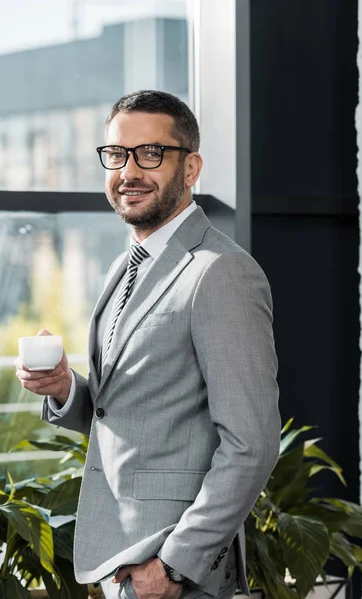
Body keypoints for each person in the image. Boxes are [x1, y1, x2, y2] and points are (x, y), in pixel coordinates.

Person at [16, 90, 281, 599]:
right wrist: (64, 388)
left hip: (173, 571)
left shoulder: (220, 273)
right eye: (116, 155)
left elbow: (252, 444)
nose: (129, 171)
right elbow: (131, 409)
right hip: (122, 561)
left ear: (191, 167)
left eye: (150, 154)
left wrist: (176, 566)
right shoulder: (125, 265)